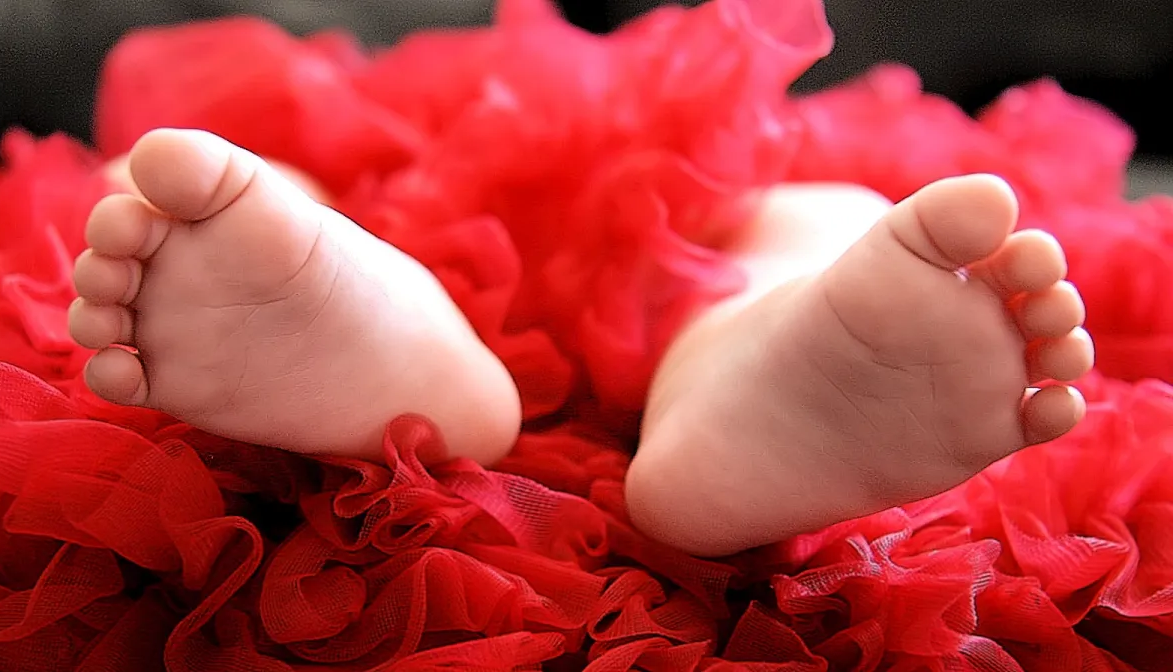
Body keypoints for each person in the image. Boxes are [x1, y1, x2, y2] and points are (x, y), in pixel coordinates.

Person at [66, 128, 1094, 556]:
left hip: (428, 195)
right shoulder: (694, 106)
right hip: (626, 207)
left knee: (819, 209)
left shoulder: (369, 100)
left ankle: (757, 354)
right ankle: (355, 290)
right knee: (813, 209)